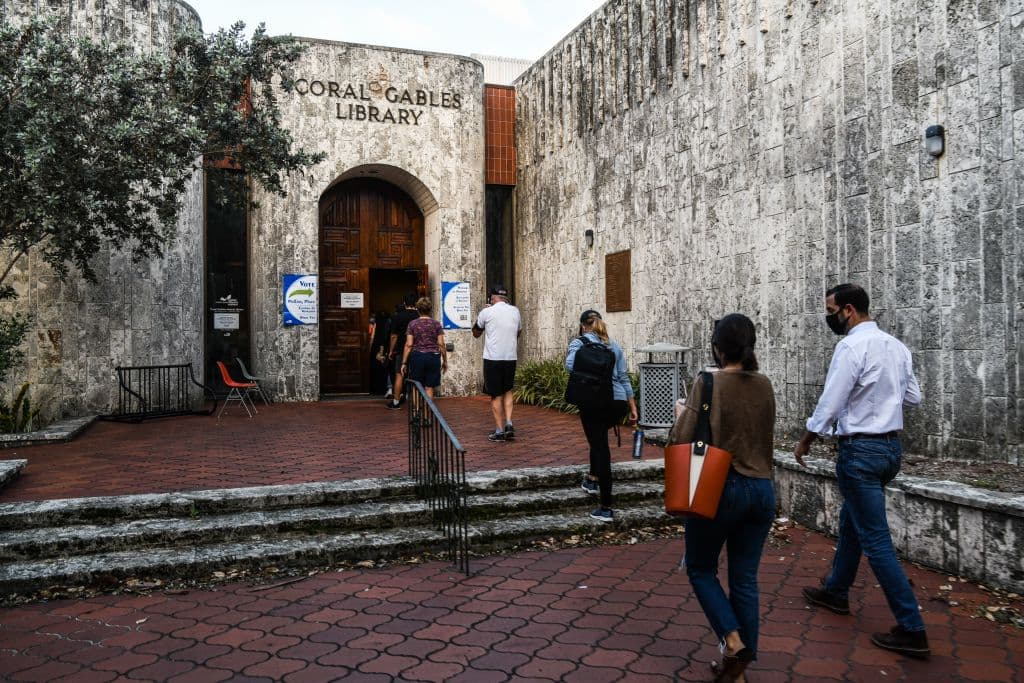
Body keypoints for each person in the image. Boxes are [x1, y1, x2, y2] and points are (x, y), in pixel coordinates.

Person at [795, 283, 929, 659]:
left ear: (849, 310)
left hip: (860, 451)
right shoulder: (896, 347)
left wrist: (806, 439)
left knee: (876, 541)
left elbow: (831, 401)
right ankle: (836, 591)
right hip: (890, 450)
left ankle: (912, 627)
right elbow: (913, 396)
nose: (830, 318)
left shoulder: (851, 346)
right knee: (853, 519)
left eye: (832, 311)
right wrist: (882, 398)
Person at [667, 313, 775, 682]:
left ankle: (732, 640)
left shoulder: (707, 381)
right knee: (744, 578)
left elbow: (680, 439)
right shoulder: (764, 384)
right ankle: (738, 671)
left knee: (700, 568)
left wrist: (682, 412)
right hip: (762, 489)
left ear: (716, 346)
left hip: (719, 487)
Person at [565, 309, 637, 523]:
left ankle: (606, 506)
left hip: (592, 401)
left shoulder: (579, 343)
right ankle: (592, 478)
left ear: (582, 326)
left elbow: (570, 366)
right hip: (616, 403)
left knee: (599, 446)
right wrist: (632, 405)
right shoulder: (613, 345)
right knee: (598, 439)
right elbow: (623, 377)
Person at [472, 285, 521, 441]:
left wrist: (485, 317)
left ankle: (499, 431)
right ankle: (509, 422)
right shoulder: (515, 311)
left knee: (495, 395)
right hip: (510, 357)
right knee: (507, 390)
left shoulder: (487, 312)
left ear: (492, 298)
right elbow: (518, 332)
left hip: (493, 358)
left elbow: (476, 333)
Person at [400, 297, 447, 399]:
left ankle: (416, 412)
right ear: (430, 309)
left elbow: (409, 344)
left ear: (418, 309)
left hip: (418, 356)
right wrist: (445, 361)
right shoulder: (436, 324)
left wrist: (404, 362)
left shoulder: (412, 324)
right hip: (433, 357)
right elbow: (441, 344)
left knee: (417, 385)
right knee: (429, 387)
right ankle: (426, 412)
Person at [386, 293, 419, 409]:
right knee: (415, 376)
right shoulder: (419, 316)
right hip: (417, 349)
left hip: (401, 349)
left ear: (404, 303)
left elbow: (394, 336)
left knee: (399, 374)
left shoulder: (398, 316)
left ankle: (395, 402)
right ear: (416, 303)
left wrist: (391, 350)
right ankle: (416, 405)